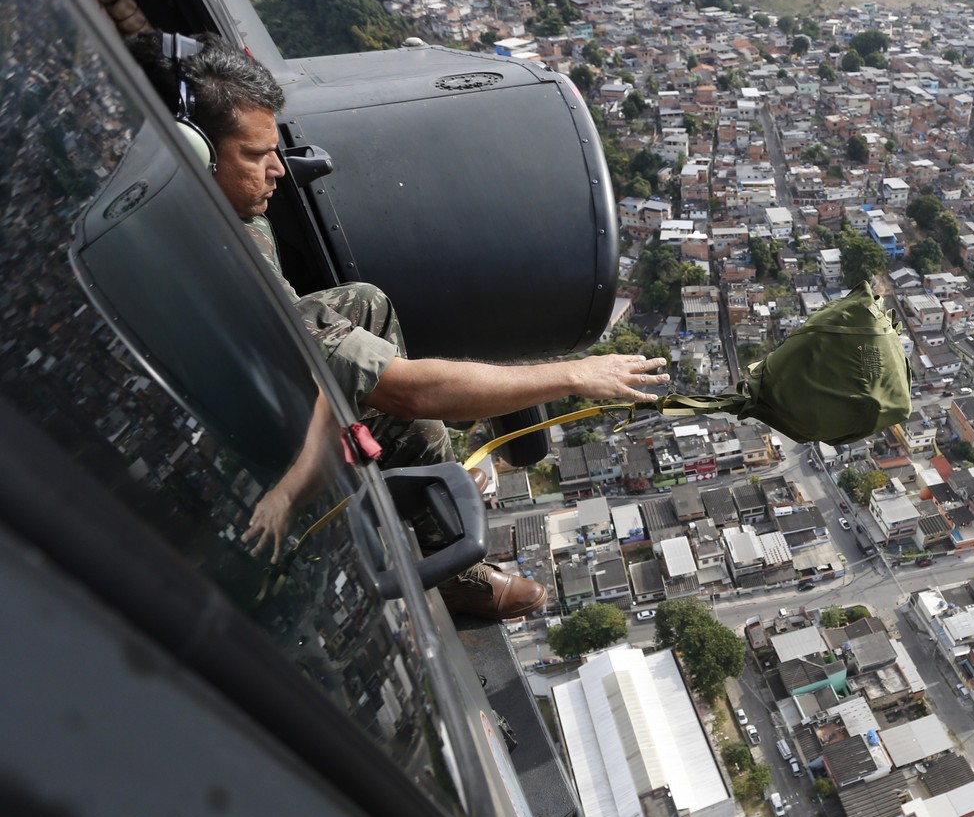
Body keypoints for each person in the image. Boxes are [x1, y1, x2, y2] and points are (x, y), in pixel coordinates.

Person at [128, 32, 669, 620]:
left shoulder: (185, 197)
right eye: (255, 155)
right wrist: (574, 374)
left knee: (365, 303)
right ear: (192, 152)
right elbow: (408, 388)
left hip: (228, 373)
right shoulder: (226, 265)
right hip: (241, 429)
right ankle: (452, 566)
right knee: (399, 394)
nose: (278, 169)